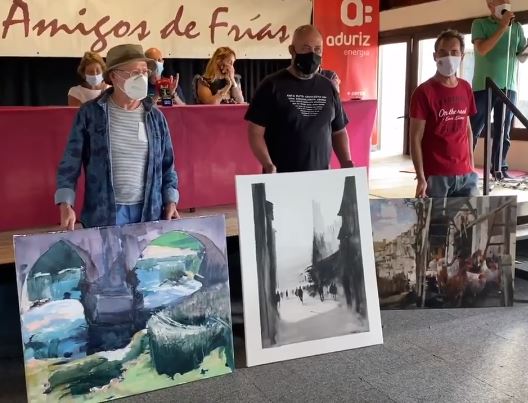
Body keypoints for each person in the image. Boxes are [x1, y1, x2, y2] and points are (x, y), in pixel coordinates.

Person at [56, 44, 180, 230]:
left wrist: (171, 200)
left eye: (144, 72)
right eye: (134, 72)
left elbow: (167, 165)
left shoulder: (155, 117)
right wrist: (66, 204)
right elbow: (70, 163)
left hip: (148, 213)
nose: (141, 77)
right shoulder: (90, 114)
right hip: (104, 214)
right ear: (114, 76)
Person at [245, 25, 353, 173]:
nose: (312, 54)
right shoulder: (271, 85)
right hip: (282, 178)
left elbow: (339, 131)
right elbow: (255, 132)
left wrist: (346, 162)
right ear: (292, 50)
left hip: (321, 179)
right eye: (306, 48)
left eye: (317, 49)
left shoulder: (328, 87)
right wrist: (268, 164)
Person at [409, 30, 479, 198]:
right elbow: (415, 138)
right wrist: (420, 177)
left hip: (466, 175)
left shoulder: (465, 88)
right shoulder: (423, 92)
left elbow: (467, 129)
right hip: (436, 176)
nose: (449, 57)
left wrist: (471, 165)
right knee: (436, 223)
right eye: (443, 52)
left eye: (454, 52)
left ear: (462, 55)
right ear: (435, 56)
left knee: (470, 222)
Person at [470, 0, 527, 178]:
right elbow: (482, 49)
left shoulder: (517, 28)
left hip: (509, 86)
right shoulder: (479, 24)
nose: (505, 3)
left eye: (508, 0)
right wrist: (502, 26)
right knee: (473, 129)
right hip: (482, 86)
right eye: (500, 0)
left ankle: (499, 169)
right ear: (489, 4)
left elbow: (521, 57)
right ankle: (461, 167)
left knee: (503, 131)